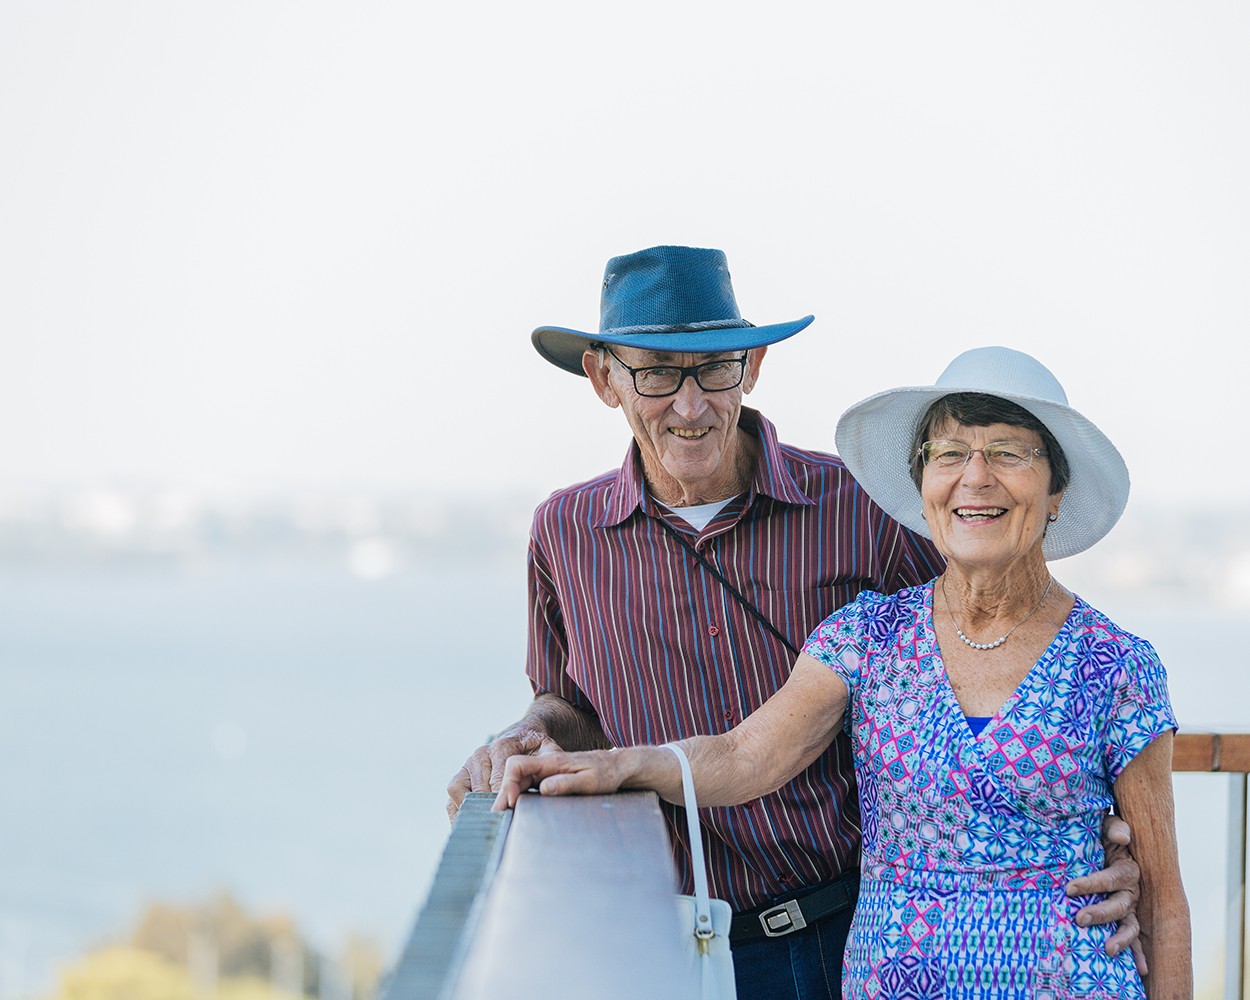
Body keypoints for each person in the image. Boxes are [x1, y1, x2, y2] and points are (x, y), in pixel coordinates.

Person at [447, 247, 1142, 999]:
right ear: (604, 378)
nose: (690, 404)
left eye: (714, 368)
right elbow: (568, 704)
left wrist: (1089, 837)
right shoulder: (565, 532)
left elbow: (994, 656)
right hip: (661, 942)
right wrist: (530, 734)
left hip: (861, 935)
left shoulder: (860, 509)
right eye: (656, 371)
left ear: (752, 366)